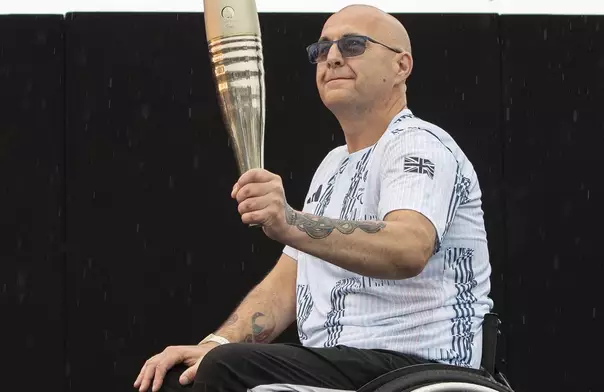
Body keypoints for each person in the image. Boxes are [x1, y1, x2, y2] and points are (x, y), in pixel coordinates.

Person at [134, 4, 493, 392]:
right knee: (177, 378)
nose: (333, 57)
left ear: (401, 66)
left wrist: (290, 220)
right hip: (341, 361)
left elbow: (408, 248)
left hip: (417, 363)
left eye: (354, 45)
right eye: (321, 49)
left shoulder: (418, 145)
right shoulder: (332, 165)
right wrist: (213, 343)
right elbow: (288, 284)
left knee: (227, 370)